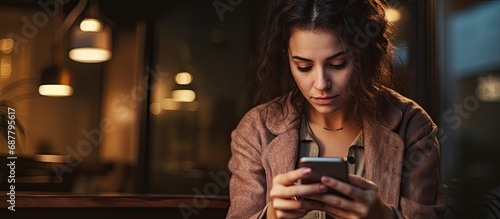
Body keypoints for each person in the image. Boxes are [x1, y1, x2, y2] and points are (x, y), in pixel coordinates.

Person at [227, 0, 447, 218]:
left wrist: (383, 215)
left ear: (364, 55)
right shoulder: (256, 129)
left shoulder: (411, 126)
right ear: (287, 59)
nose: (321, 84)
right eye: (304, 67)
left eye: (338, 64)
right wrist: (271, 216)